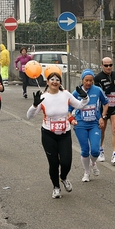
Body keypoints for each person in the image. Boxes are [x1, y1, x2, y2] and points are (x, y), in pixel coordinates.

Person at [27, 66, 89, 199]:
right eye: (52, 79)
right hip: (48, 134)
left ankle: (64, 177)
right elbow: (29, 116)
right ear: (47, 82)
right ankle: (56, 187)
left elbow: (79, 105)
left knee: (66, 162)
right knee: (53, 163)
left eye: (57, 80)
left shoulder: (65, 94)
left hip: (64, 134)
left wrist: (85, 98)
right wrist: (34, 105)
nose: (55, 81)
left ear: (60, 82)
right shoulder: (43, 97)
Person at [69, 69, 109, 182]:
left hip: (94, 124)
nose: (88, 83)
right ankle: (86, 172)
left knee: (95, 150)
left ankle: (93, 162)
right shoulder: (76, 92)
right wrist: (71, 119)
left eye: (91, 80)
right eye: (86, 80)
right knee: (85, 150)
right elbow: (69, 109)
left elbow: (106, 103)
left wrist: (103, 116)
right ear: (82, 80)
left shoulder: (97, 90)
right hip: (80, 124)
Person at [94, 57, 115, 165]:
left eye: (110, 65)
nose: (108, 67)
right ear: (102, 65)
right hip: (103, 107)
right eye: (106, 65)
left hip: (114, 105)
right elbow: (97, 91)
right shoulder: (98, 78)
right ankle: (100, 150)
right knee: (102, 129)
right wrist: (105, 92)